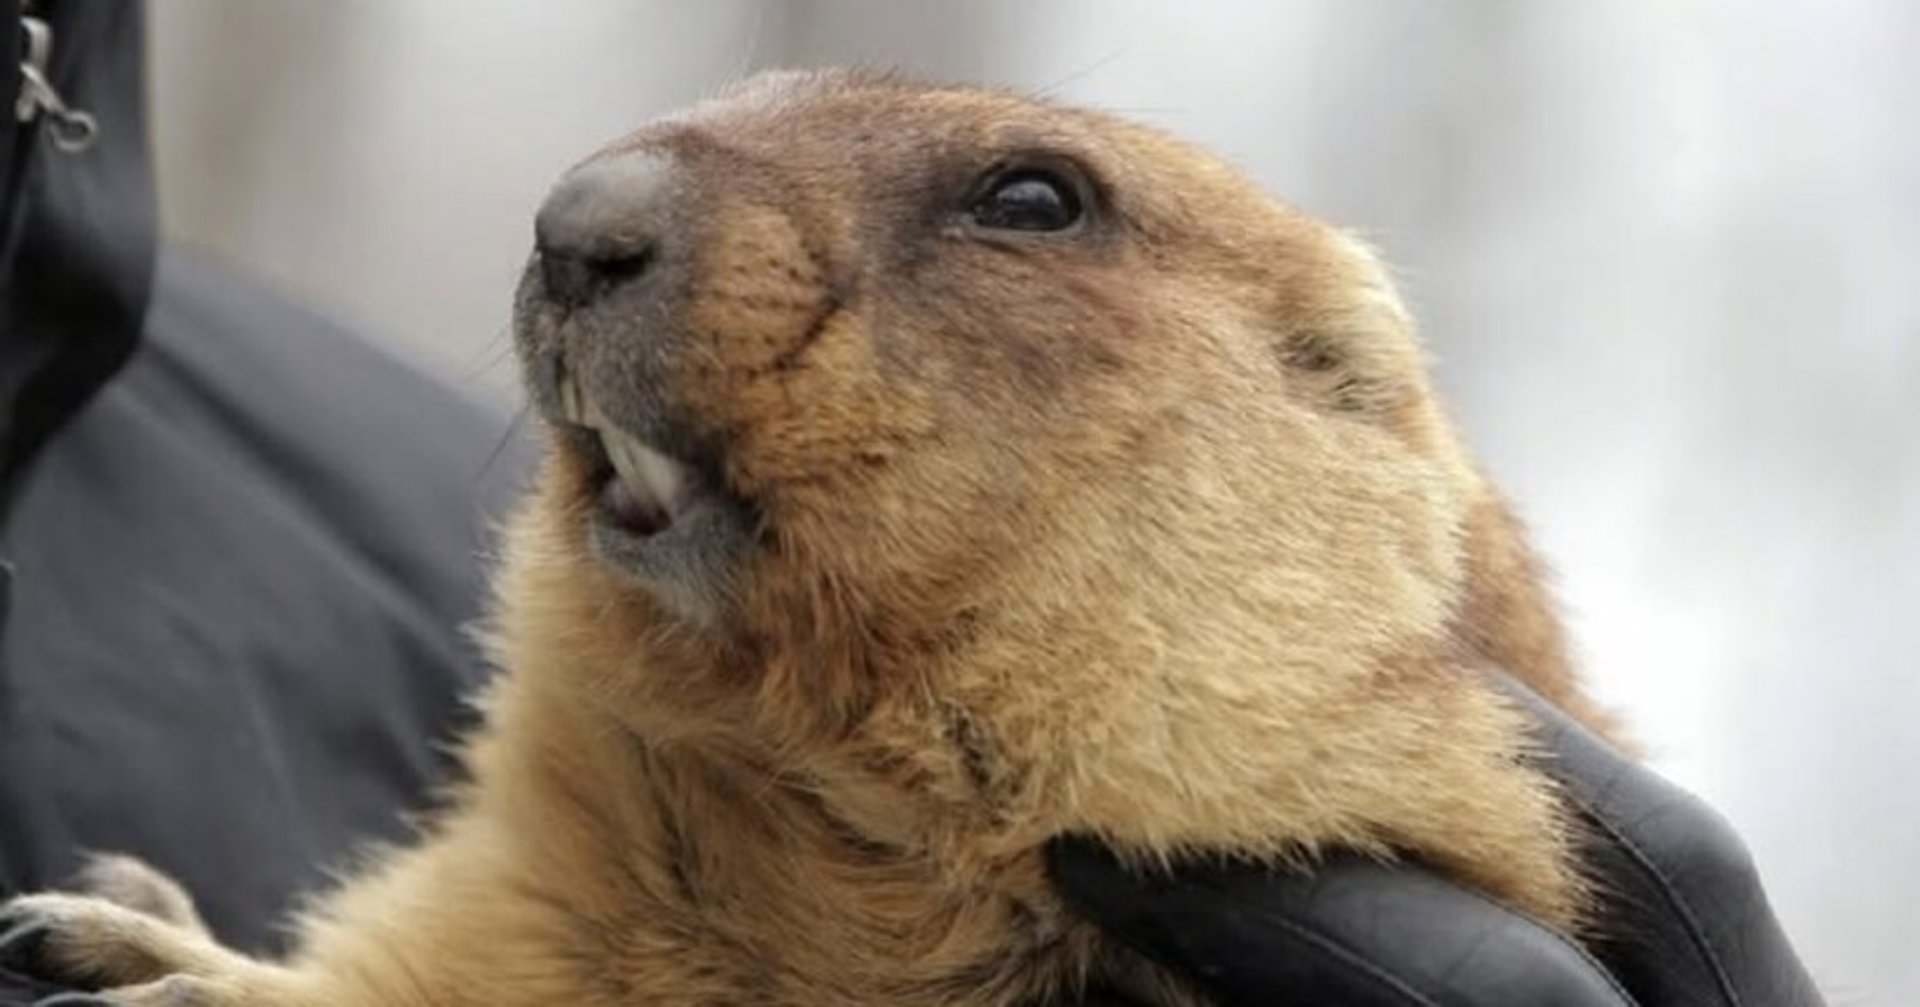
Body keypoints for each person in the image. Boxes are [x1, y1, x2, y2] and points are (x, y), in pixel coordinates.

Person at [0, 5, 1823, 1005]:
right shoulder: (510, 656)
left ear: (1324, 400)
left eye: (1027, 211)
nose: (590, 233)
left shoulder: (359, 504)